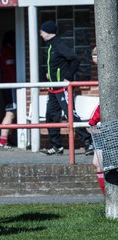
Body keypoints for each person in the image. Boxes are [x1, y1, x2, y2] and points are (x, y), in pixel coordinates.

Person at [39, 20, 94, 156]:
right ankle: (57, 145)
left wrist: (68, 77)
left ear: (48, 32)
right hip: (52, 88)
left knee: (71, 115)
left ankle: (89, 142)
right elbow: (56, 64)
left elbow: (75, 59)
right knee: (51, 116)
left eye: (42, 31)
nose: (40, 34)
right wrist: (49, 74)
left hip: (62, 88)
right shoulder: (51, 45)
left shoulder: (59, 45)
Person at [88, 47, 104, 195]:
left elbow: (105, 102)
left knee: (101, 164)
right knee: (97, 163)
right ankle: (109, 203)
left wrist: (92, 121)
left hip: (107, 126)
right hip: (101, 124)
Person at [0, 31, 17, 149]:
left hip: (9, 85)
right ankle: (3, 141)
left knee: (12, 113)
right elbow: (11, 71)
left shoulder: (6, 51)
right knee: (10, 112)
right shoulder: (7, 51)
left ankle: (6, 140)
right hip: (10, 86)